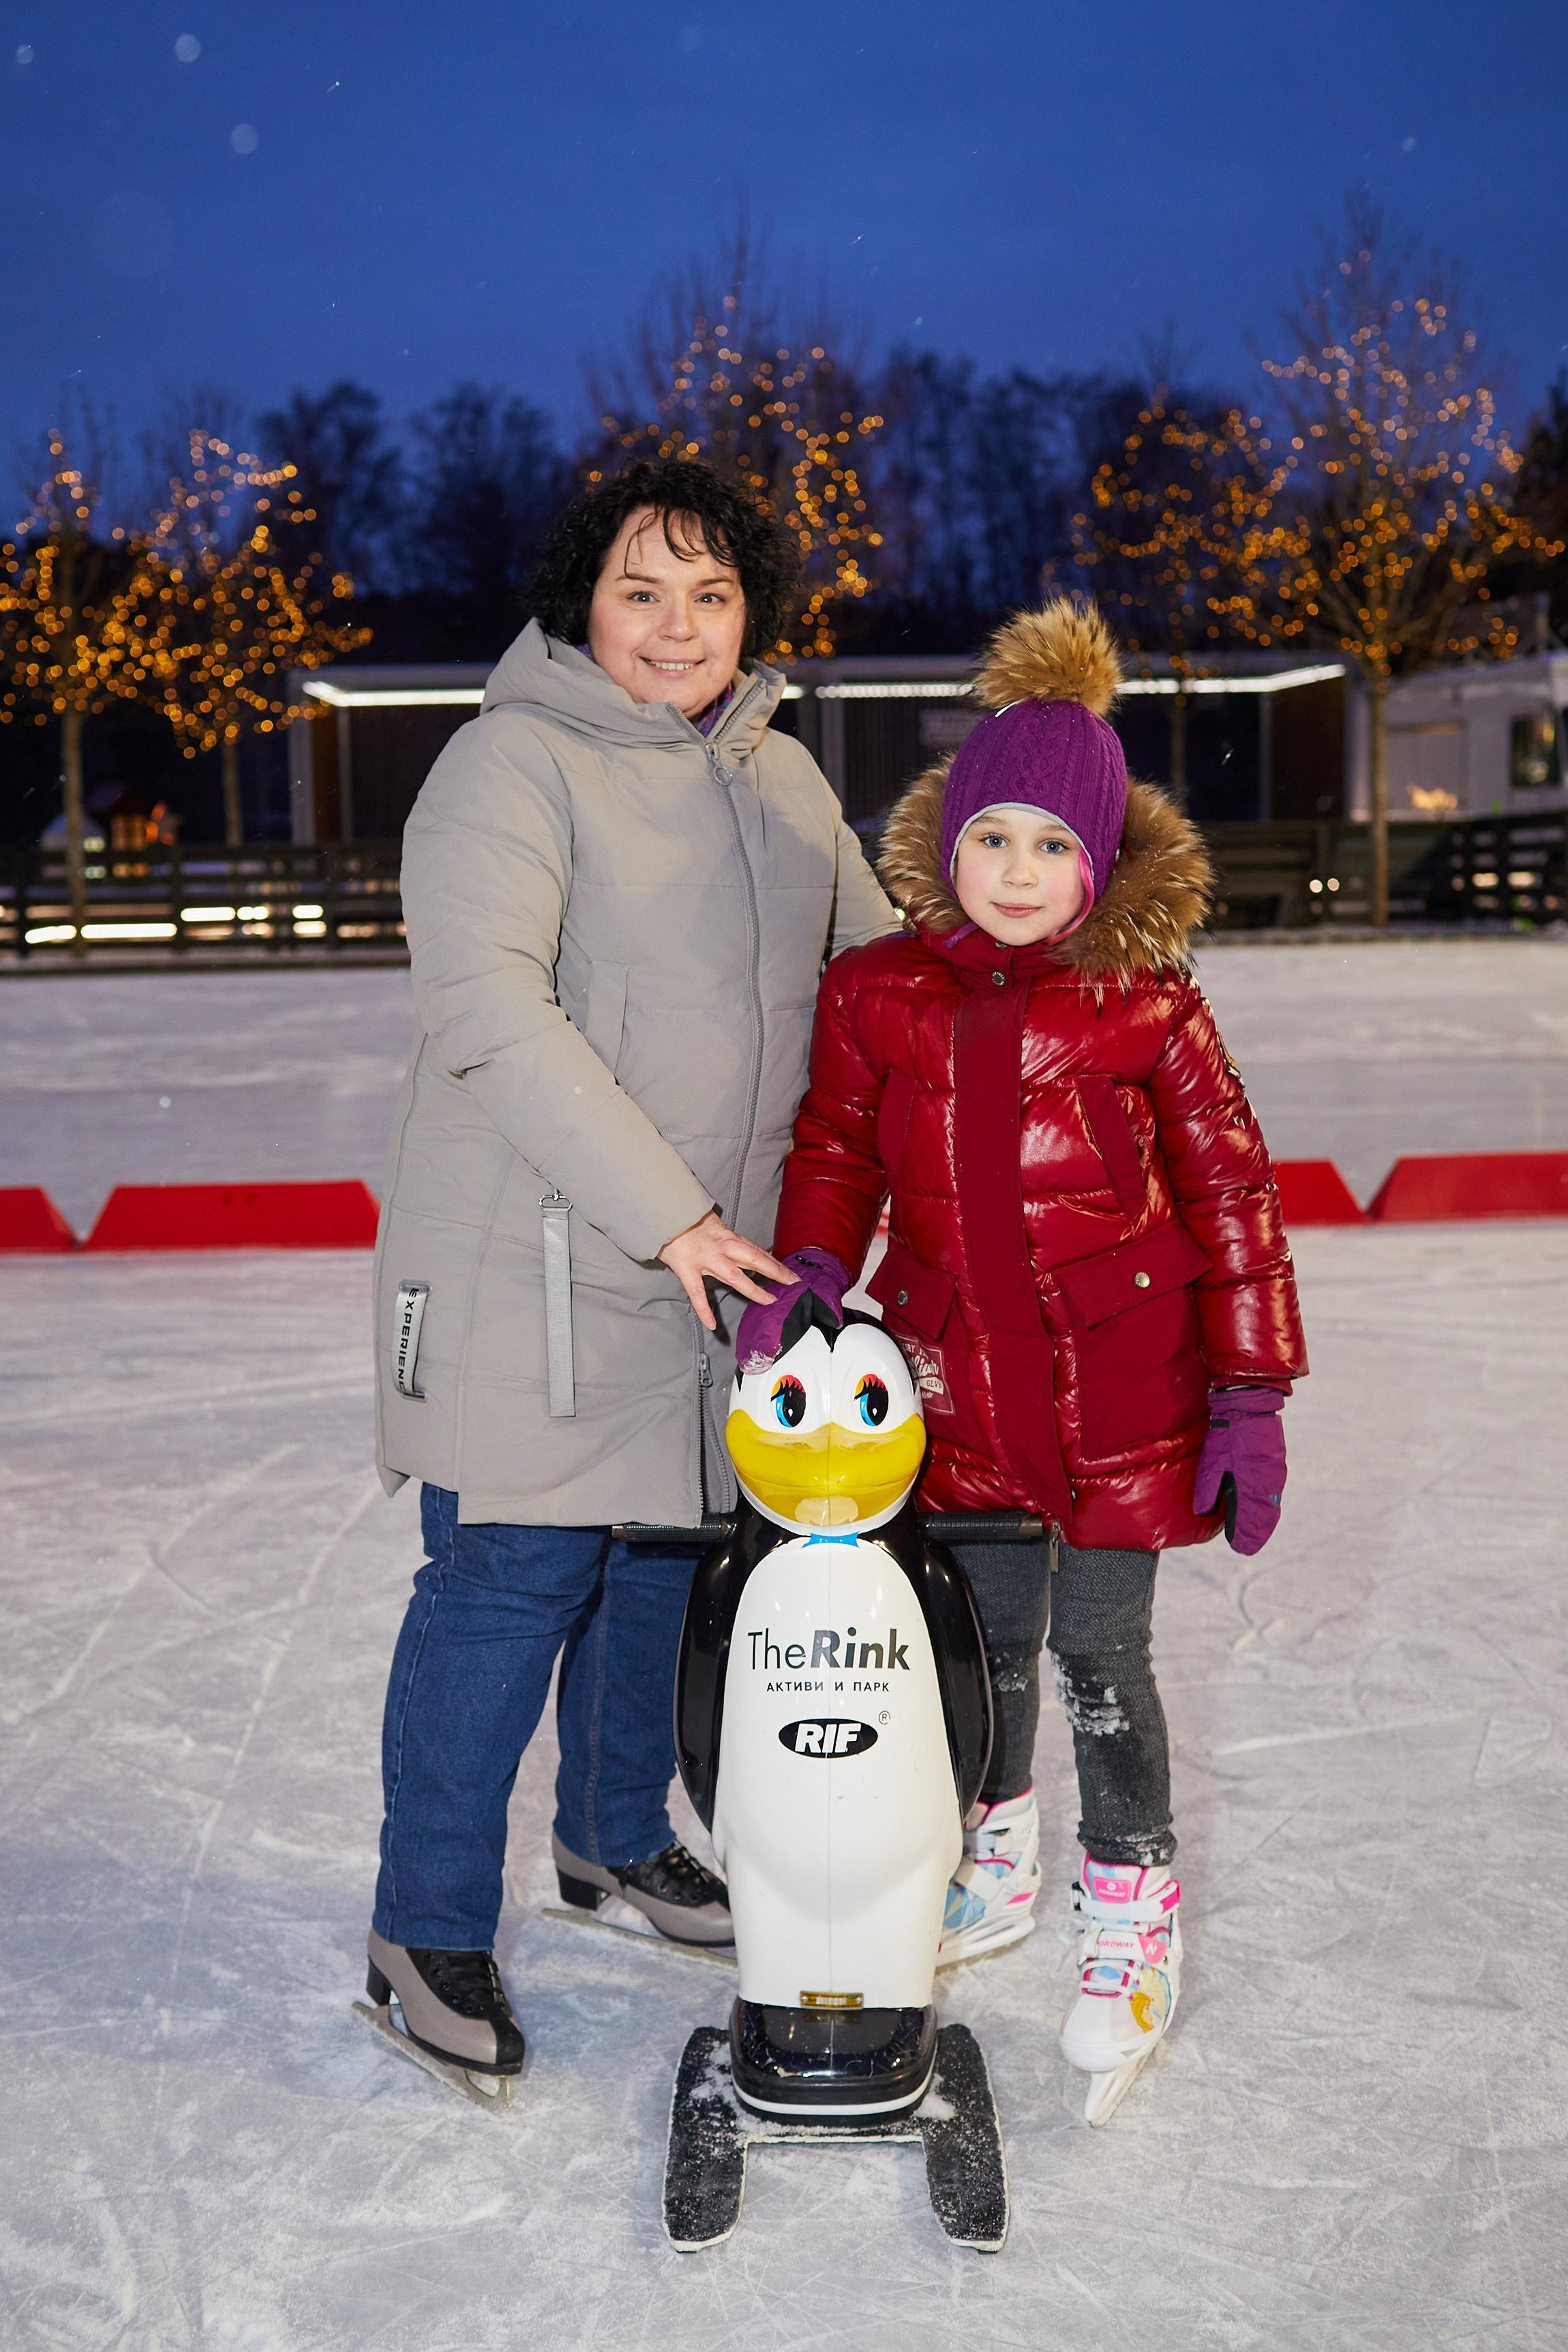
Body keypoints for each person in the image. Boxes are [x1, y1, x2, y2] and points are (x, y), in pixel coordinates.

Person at [365, 457, 898, 2088]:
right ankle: (423, 1929)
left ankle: (609, 1839)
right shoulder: (508, 763)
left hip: (720, 1269)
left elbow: (884, 986)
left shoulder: (780, 778)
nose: (679, 628)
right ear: (577, 603)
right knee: (512, 1583)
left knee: (663, 1562)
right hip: (530, 1255)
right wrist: (669, 1216)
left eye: (712, 594)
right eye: (641, 590)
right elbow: (487, 1009)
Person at [736, 598, 1306, 2103]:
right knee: (976, 1650)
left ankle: (1131, 1911)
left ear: (1101, 863)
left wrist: (1250, 1389)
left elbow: (1234, 1194)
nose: (1016, 871)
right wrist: (812, 1262)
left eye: (1053, 845)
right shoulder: (878, 991)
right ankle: (987, 1849)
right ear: (947, 839)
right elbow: (837, 1146)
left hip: (1123, 1390)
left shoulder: (1147, 1006)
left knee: (1102, 1658)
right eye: (992, 837)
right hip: (957, 1387)